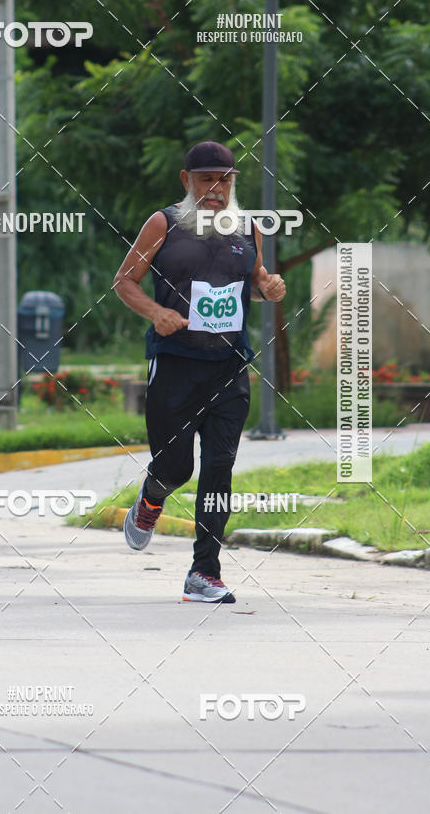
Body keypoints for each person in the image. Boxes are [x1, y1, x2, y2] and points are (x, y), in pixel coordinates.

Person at [114, 141, 286, 603]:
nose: (216, 188)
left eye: (225, 179)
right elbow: (124, 281)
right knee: (176, 468)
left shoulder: (248, 228)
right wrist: (156, 312)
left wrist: (267, 287)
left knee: (219, 466)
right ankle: (152, 498)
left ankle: (204, 571)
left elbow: (253, 283)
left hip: (229, 366)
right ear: (186, 180)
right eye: (207, 179)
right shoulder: (163, 224)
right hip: (176, 365)